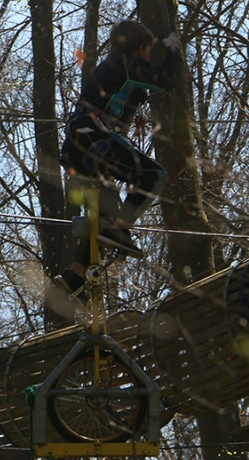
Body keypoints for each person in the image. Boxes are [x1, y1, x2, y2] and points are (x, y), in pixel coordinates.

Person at [54, 20, 183, 302]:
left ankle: (74, 276)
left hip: (78, 146)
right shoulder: (126, 65)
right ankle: (120, 231)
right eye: (148, 51)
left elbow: (119, 94)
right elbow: (165, 79)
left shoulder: (109, 67)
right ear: (140, 49)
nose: (148, 57)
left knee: (103, 217)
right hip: (95, 140)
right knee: (154, 176)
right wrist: (173, 50)